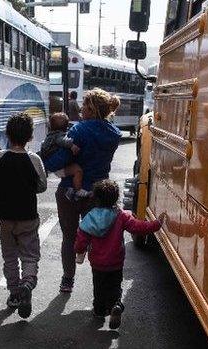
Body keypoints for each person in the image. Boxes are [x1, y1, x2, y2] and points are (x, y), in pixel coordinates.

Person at [56, 88, 122, 293]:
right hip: (98, 193)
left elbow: (63, 155)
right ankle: (100, 281)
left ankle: (68, 279)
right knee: (98, 237)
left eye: (85, 105)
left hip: (69, 191)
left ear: (92, 109)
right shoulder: (114, 134)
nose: (81, 108)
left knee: (69, 236)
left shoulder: (79, 130)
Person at [74, 179, 163, 329]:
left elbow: (82, 238)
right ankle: (116, 305)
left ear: (96, 199)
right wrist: (156, 225)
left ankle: (99, 310)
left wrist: (79, 250)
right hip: (115, 262)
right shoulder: (120, 215)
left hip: (97, 263)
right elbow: (138, 227)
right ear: (116, 198)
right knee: (115, 286)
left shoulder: (90, 217)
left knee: (99, 287)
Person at [0, 113, 47, 318]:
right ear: (30, 137)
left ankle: (14, 294)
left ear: (7, 134)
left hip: (4, 216)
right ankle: (27, 284)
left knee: (10, 257)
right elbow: (42, 185)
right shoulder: (34, 159)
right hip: (28, 216)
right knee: (29, 255)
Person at [39, 113, 89, 200]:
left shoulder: (49, 136)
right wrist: (72, 145)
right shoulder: (59, 135)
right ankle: (78, 190)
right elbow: (63, 141)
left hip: (52, 166)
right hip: (58, 167)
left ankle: (70, 189)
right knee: (78, 170)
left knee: (71, 172)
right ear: (66, 126)